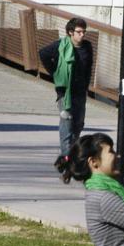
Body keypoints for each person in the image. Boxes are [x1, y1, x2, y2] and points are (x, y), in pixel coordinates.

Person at [39, 17, 93, 163]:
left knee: (79, 124)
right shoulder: (61, 45)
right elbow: (43, 53)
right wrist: (55, 73)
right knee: (67, 123)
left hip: (81, 91)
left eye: (84, 31)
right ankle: (67, 156)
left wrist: (86, 86)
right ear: (70, 32)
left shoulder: (87, 46)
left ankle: (71, 150)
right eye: (79, 32)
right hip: (65, 92)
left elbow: (88, 68)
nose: (82, 34)